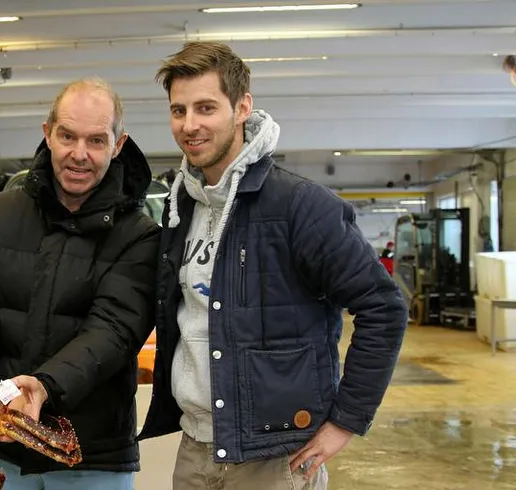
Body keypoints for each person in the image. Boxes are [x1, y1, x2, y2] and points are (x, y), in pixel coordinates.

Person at [139, 41, 409, 490]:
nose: (190, 125)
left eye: (206, 108)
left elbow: (383, 306)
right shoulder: (178, 208)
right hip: (194, 448)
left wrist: (345, 422)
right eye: (178, 110)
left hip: (275, 456)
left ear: (242, 107)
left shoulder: (300, 206)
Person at [0, 77, 160, 489]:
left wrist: (45, 386)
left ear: (118, 143)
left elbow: (114, 329)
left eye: (95, 141)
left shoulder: (139, 235)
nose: (79, 154)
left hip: (92, 457)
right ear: (47, 133)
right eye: (67, 136)